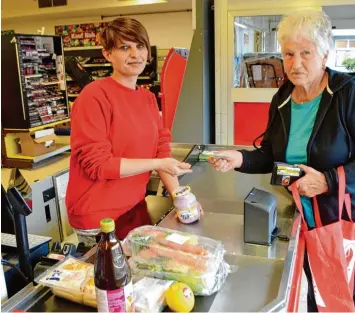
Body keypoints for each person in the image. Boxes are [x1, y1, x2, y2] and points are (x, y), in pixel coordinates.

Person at [209, 10, 355, 312]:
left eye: (306, 53)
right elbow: (269, 155)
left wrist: (327, 180)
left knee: (347, 292)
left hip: (343, 217)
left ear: (325, 54)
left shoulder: (347, 93)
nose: (295, 63)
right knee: (318, 290)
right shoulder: (283, 98)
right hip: (303, 216)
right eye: (288, 54)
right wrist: (238, 158)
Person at [66, 17, 195, 244]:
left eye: (140, 46)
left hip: (134, 208)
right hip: (99, 219)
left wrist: (180, 197)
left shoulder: (147, 98)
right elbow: (99, 165)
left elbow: (160, 148)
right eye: (125, 47)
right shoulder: (94, 96)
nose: (135, 54)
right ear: (107, 54)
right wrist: (157, 164)